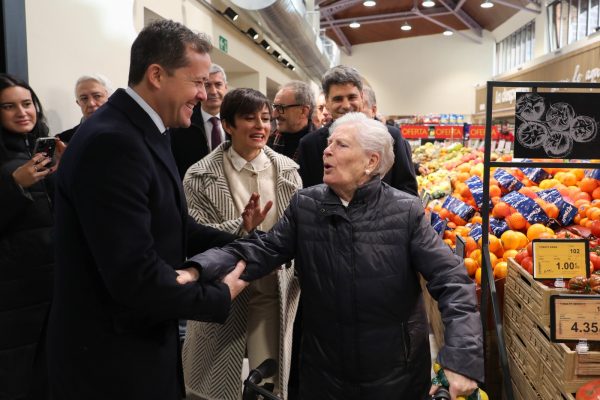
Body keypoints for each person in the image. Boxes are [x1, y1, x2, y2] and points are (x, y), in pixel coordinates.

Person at [187, 112, 484, 400]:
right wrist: (199, 269)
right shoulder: (306, 205)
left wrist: (461, 358)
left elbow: (452, 280)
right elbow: (262, 249)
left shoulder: (405, 211)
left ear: (371, 161)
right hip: (324, 374)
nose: (326, 151)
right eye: (329, 143)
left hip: (396, 374)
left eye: (340, 145)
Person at [47, 20, 251, 400]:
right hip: (111, 363)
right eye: (198, 82)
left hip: (136, 346)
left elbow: (170, 223)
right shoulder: (113, 142)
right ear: (157, 75)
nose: (205, 95)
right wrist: (218, 295)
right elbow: (134, 276)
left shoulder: (145, 130)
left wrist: (243, 244)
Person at [182, 88, 302, 400]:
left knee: (269, 383)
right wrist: (241, 227)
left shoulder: (288, 171)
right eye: (249, 118)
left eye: (265, 118)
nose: (261, 126)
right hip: (223, 289)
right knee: (214, 385)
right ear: (229, 124)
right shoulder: (198, 175)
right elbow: (193, 233)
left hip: (273, 289)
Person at [0, 73, 65, 399]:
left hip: (51, 286)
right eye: (9, 106)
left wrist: (66, 171)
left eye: (26, 104)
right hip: (13, 294)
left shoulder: (40, 153)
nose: (22, 112)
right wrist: (14, 185)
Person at [297, 65, 418, 196]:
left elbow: (407, 190)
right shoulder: (310, 144)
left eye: (352, 97)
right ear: (327, 102)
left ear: (361, 97)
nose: (346, 105)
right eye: (338, 99)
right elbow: (307, 197)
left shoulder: (390, 137)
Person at [170, 63, 228, 179]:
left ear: (226, 88)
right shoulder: (181, 124)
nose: (213, 91)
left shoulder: (237, 122)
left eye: (218, 84)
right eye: (207, 85)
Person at [56, 74, 112, 143]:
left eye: (97, 96)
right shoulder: (63, 140)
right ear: (78, 103)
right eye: (84, 98)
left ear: (110, 98)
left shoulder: (126, 130)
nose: (91, 103)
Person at [268, 80, 315, 161]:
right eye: (275, 107)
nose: (274, 114)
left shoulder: (319, 146)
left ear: (303, 111)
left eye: (281, 108)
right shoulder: (269, 141)